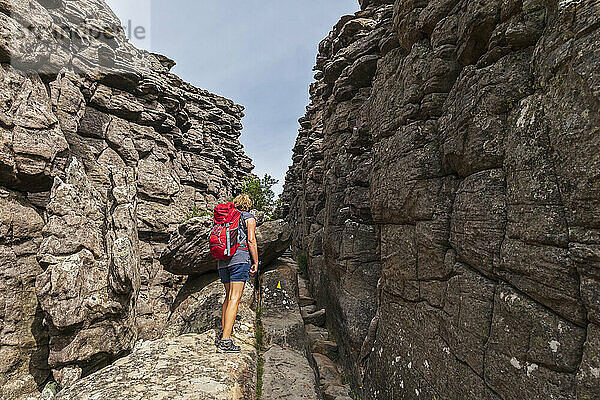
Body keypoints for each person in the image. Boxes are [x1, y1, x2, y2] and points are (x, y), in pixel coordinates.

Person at [216, 193, 259, 352]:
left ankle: (224, 332)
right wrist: (255, 261)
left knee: (228, 297)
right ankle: (226, 341)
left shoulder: (225, 218)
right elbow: (251, 240)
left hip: (222, 262)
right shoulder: (249, 217)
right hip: (239, 260)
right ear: (248, 205)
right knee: (235, 298)